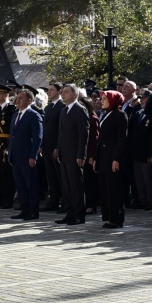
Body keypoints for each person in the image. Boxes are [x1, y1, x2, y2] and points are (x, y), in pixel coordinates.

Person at [55, 84, 92, 225]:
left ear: (75, 95)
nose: (63, 94)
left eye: (66, 92)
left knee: (76, 186)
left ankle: (78, 215)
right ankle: (70, 213)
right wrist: (58, 149)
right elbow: (61, 133)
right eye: (62, 92)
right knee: (66, 186)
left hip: (74, 155)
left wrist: (81, 155)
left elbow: (84, 134)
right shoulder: (64, 111)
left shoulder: (80, 110)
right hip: (64, 154)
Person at [8, 86, 44, 221]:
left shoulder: (34, 115)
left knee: (31, 185)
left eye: (21, 98)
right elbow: (12, 136)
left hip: (27, 156)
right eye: (17, 98)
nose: (18, 100)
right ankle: (24, 210)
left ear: (30, 100)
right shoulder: (15, 115)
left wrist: (33, 155)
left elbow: (38, 137)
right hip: (16, 156)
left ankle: (33, 212)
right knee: (20, 185)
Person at [95, 90, 129, 228]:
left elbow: (122, 139)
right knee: (105, 187)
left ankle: (116, 218)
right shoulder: (106, 115)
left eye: (104, 99)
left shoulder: (120, 115)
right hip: (103, 156)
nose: (101, 101)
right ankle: (109, 216)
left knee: (114, 188)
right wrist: (96, 157)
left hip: (113, 156)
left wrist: (116, 158)